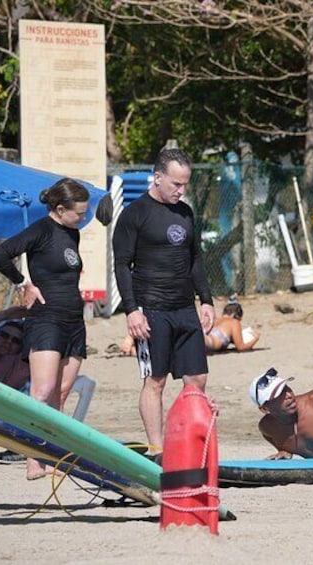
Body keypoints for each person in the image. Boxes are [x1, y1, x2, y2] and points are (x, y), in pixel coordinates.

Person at [112, 148, 215, 456]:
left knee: (197, 378)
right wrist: (131, 311)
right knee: (155, 381)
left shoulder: (185, 212)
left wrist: (206, 300)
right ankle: (157, 449)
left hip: (184, 307)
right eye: (176, 184)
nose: (181, 191)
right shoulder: (135, 214)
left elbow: (194, 258)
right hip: (150, 309)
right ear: (157, 178)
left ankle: (185, 441)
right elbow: (121, 265)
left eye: (185, 185)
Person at [0, 177, 91, 480]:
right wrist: (23, 283)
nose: (83, 218)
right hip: (46, 319)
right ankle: (33, 457)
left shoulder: (72, 232)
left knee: (61, 392)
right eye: (79, 213)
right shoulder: (40, 230)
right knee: (42, 391)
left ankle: (54, 454)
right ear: (60, 209)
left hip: (74, 321)